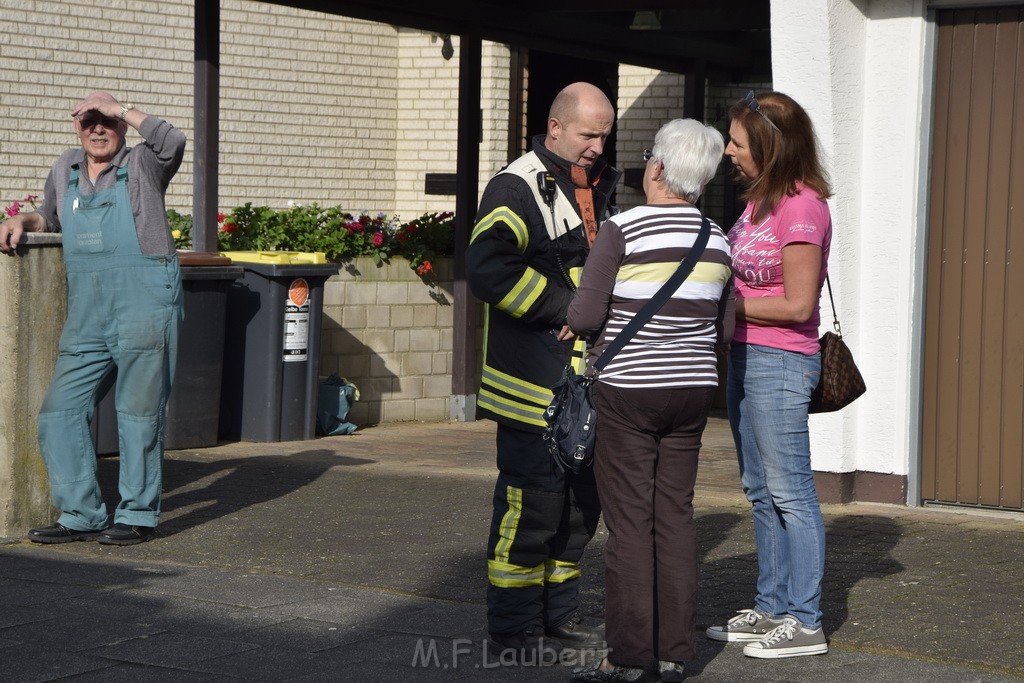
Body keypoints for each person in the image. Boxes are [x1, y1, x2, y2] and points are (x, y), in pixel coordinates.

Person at [565, 119, 732, 683]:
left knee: (631, 525)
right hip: (691, 392)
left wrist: (577, 326)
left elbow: (586, 316)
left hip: (630, 392)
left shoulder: (622, 228)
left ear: (657, 168)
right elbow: (724, 329)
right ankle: (673, 651)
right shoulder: (718, 237)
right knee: (676, 517)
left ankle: (630, 655)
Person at [466, 81, 621, 659]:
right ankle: (511, 628)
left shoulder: (598, 187)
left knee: (581, 510)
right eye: (588, 135)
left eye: (604, 136)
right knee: (531, 507)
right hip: (531, 384)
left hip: (585, 385)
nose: (597, 147)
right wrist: (565, 310)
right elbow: (488, 270)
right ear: (554, 127)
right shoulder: (516, 186)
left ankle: (560, 617)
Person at [0, 91, 186, 546]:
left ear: (121, 127)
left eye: (107, 122)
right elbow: (51, 215)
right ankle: (81, 513)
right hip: (87, 309)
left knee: (138, 414)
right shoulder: (66, 167)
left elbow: (173, 140)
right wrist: (24, 219)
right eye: (89, 122)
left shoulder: (144, 163)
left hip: (143, 300)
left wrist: (119, 105)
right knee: (59, 412)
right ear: (76, 127)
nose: (98, 130)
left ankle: (138, 515)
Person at [704, 90, 833, 658]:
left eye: (736, 142)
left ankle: (805, 621)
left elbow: (799, 305)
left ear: (769, 146)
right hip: (746, 358)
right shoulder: (758, 203)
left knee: (790, 493)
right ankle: (772, 606)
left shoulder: (802, 206)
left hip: (781, 361)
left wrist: (720, 307)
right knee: (760, 492)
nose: (728, 151)